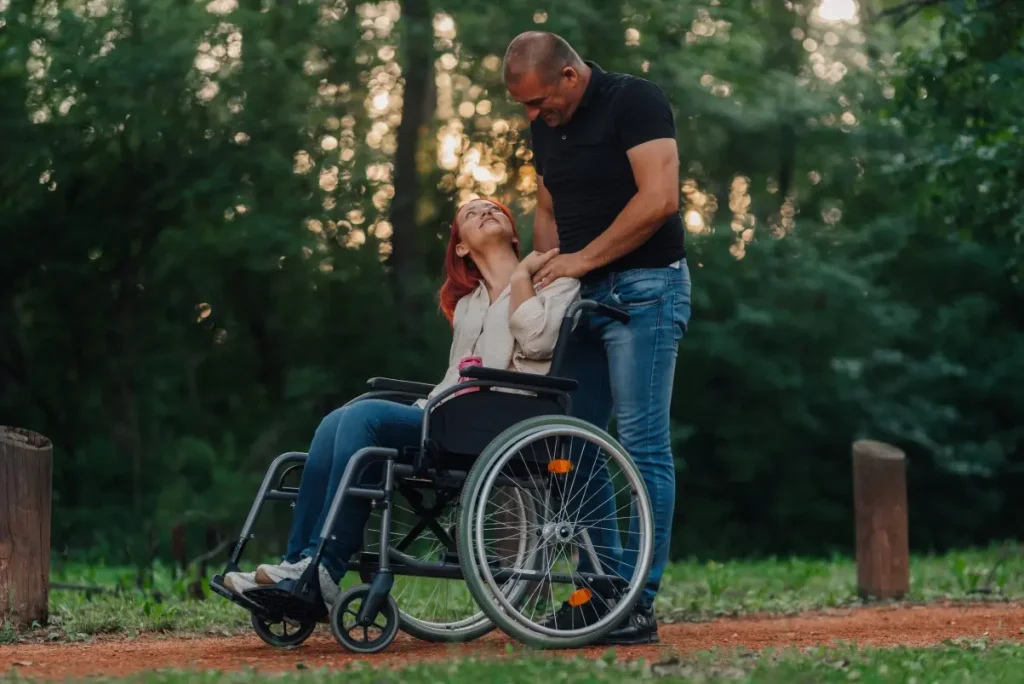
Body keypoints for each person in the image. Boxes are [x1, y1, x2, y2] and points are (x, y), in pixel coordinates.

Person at [222, 198, 580, 605]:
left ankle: (325, 568)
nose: (484, 211)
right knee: (335, 422)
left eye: (494, 209)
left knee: (365, 418)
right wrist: (425, 409)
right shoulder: (469, 305)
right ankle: (299, 564)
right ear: (461, 246)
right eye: (471, 212)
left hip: (507, 419)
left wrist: (521, 280)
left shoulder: (554, 279)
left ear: (515, 234)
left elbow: (539, 342)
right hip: (453, 416)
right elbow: (453, 378)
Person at [501, 31, 692, 645]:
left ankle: (636, 602)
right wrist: (549, 270)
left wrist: (584, 260)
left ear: (569, 76)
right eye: (524, 107)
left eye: (537, 102)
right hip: (581, 298)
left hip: (646, 291)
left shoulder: (634, 100)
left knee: (641, 446)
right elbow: (549, 208)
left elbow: (660, 198)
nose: (532, 116)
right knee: (568, 442)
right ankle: (601, 590)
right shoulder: (545, 124)